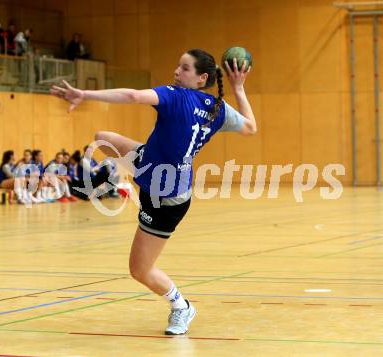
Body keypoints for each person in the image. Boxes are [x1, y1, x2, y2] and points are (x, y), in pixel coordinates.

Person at [51, 49, 256, 335]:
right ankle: (108, 182)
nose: (176, 71)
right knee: (103, 138)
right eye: (178, 65)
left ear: (202, 78)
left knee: (140, 270)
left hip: (166, 200)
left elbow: (133, 96)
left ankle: (181, 306)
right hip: (149, 165)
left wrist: (85, 94)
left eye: (184, 68)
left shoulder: (175, 96)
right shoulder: (217, 108)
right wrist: (239, 89)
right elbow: (250, 127)